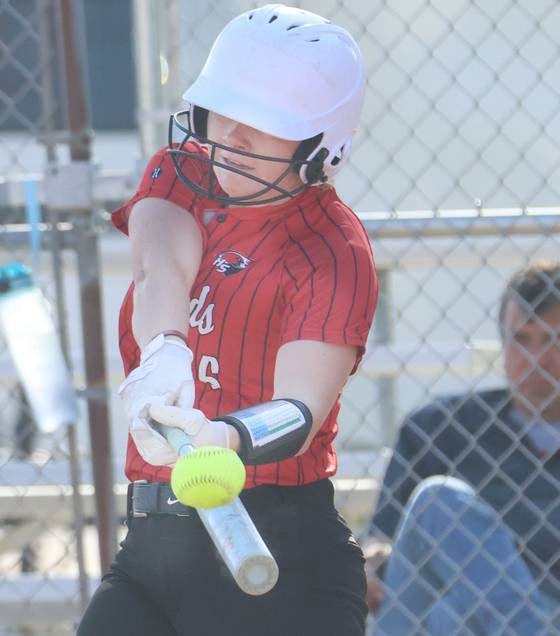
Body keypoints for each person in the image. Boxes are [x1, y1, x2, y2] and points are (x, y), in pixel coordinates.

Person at [76, 5, 378, 636]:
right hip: (153, 549)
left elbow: (301, 409)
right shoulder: (184, 170)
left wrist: (227, 438)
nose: (233, 135)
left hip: (280, 559)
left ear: (320, 147)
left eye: (263, 123)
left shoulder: (331, 250)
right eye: (223, 109)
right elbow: (160, 268)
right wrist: (165, 350)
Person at [365, 260, 560, 635]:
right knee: (438, 501)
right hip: (433, 618)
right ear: (502, 341)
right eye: (521, 340)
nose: (537, 360)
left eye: (553, 340)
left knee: (457, 615)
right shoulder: (440, 428)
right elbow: (382, 540)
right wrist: (371, 561)